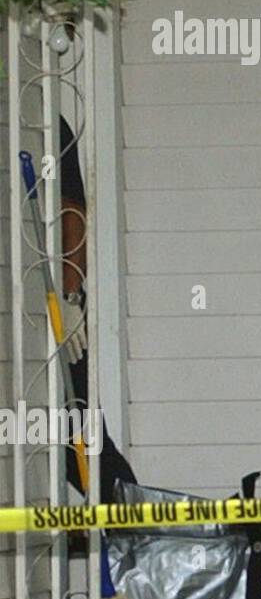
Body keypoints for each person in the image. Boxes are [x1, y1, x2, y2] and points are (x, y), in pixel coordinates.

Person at [57, 115, 137, 502]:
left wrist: (70, 298)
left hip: (56, 310)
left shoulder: (42, 119)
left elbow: (72, 212)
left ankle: (135, 531)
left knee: (85, 440)